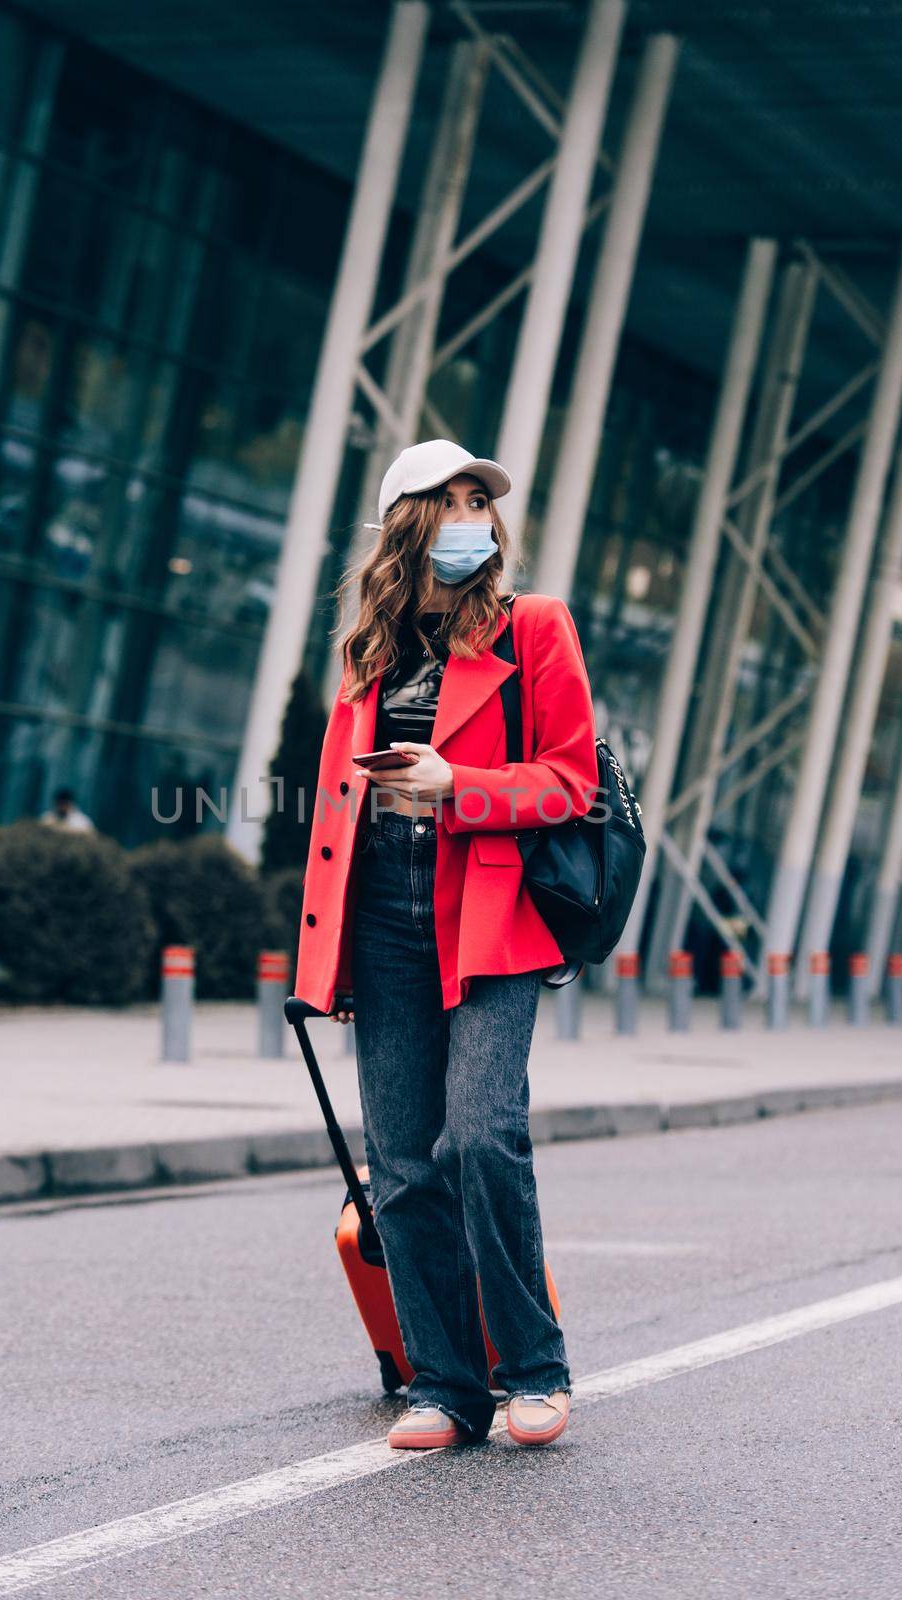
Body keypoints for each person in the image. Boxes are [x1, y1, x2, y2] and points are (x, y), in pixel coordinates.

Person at [294, 438, 600, 1450]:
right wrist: (322, 961)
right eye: (452, 498)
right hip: (383, 916)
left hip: (493, 917)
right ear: (407, 524)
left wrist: (455, 788)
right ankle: (446, 1387)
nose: (474, 515)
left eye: (483, 499)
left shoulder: (535, 628)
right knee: (402, 1166)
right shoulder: (370, 652)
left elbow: (572, 780)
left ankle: (534, 1368)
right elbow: (337, 815)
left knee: (476, 1134)